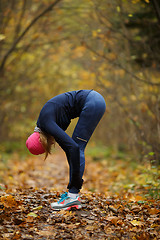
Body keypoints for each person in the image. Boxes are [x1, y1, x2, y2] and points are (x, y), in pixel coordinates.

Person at [26, 90, 106, 210]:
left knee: (77, 147)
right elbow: (68, 149)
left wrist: (75, 182)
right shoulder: (45, 123)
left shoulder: (46, 123)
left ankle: (73, 197)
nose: (52, 143)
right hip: (95, 101)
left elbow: (73, 148)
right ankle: (73, 195)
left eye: (48, 145)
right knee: (74, 149)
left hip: (92, 102)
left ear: (43, 140)